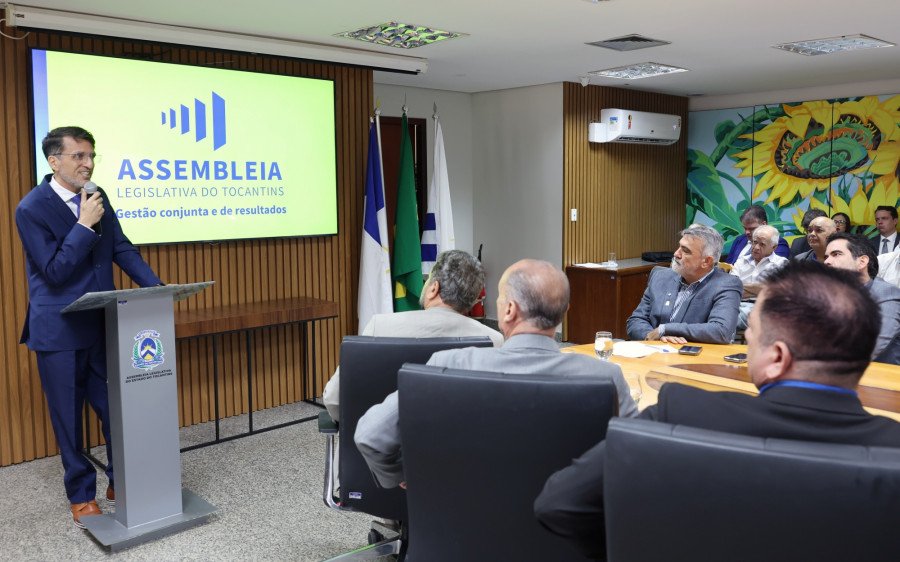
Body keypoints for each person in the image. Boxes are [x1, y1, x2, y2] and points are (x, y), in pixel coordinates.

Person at [534, 261, 900, 560]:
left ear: (777, 357)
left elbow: (559, 503)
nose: (746, 342)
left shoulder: (680, 413)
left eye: (751, 333)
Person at [354, 259, 638, 489]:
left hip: (460, 531)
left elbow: (370, 435)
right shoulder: (607, 377)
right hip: (568, 533)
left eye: (500, 299)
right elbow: (636, 457)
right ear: (564, 311)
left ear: (509, 310)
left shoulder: (448, 364)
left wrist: (411, 476)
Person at [15, 126, 163, 527]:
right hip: (59, 330)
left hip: (102, 322)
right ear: (54, 161)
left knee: (115, 410)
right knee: (68, 418)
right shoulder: (31, 208)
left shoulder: (97, 196)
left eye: (91, 155)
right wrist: (83, 226)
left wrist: (156, 288)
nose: (88, 164)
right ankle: (81, 495)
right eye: (79, 156)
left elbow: (120, 247)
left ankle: (121, 480)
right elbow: (55, 271)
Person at [322, 250, 502, 421]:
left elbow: (334, 399)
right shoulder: (493, 340)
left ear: (433, 288)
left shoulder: (380, 327)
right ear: (472, 301)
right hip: (459, 441)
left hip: (385, 441)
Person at [626, 224, 741, 344]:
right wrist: (654, 337)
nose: (676, 254)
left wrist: (664, 329)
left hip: (694, 353)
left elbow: (721, 331)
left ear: (706, 261)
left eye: (685, 250)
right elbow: (635, 320)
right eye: (679, 247)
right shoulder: (661, 276)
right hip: (652, 351)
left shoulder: (726, 285)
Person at [824, 233, 900, 364]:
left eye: (836, 254)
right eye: (826, 257)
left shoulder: (886, 293)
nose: (826, 261)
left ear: (862, 262)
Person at [729, 225, 787, 329]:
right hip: (735, 304)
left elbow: (776, 293)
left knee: (728, 318)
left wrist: (741, 286)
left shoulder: (781, 264)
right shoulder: (741, 261)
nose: (756, 247)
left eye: (762, 244)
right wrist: (760, 289)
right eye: (754, 242)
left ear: (774, 247)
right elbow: (731, 288)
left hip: (763, 308)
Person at [724, 205, 790, 264]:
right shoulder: (739, 240)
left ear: (764, 225)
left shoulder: (778, 243)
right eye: (745, 228)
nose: (747, 232)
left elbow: (775, 268)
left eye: (752, 229)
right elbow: (728, 264)